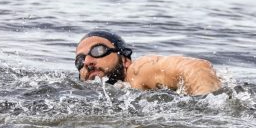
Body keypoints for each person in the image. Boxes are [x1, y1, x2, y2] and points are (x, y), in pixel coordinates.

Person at [75, 30, 221, 95]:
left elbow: (196, 68)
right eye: (80, 60)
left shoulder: (138, 72)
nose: (87, 61)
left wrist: (208, 104)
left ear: (125, 59)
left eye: (98, 51)